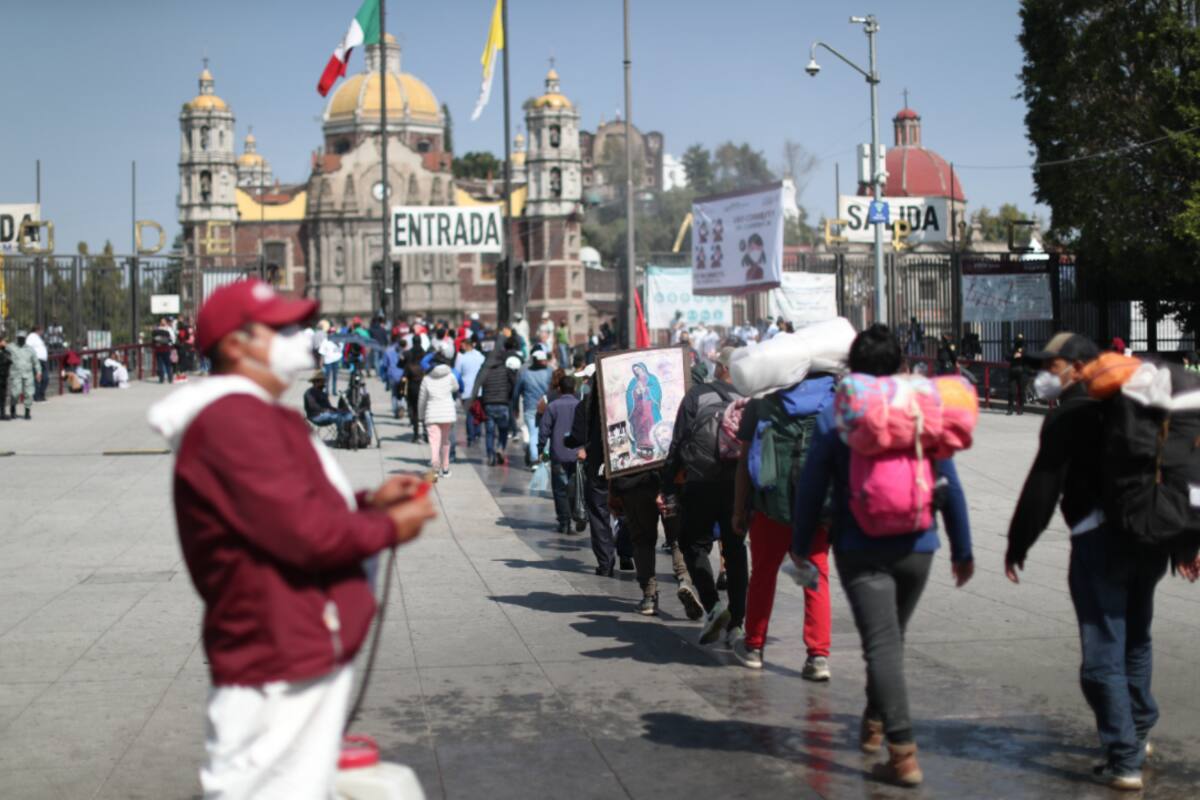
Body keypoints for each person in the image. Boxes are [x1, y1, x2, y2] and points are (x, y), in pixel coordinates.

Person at [146, 279, 436, 798]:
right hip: (275, 656)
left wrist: (370, 504)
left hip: (295, 645)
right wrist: (390, 527)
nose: (295, 339)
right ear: (237, 345)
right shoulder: (233, 422)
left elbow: (282, 510)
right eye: (278, 329)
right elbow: (304, 534)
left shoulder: (252, 415)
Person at [1004, 331, 1200, 791]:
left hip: (1098, 543)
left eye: (1050, 367)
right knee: (1136, 640)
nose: (1043, 376)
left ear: (1078, 367)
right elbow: (1166, 470)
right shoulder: (1138, 407)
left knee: (1102, 653)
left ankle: (1123, 757)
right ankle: (1138, 731)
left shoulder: (1070, 416)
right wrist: (1184, 544)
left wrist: (1018, 544)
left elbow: (1043, 486)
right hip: (1149, 540)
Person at [791, 324, 974, 787]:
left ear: (852, 367)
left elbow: (812, 485)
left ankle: (903, 754)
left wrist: (800, 544)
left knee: (882, 644)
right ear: (899, 364)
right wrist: (963, 548)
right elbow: (949, 482)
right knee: (890, 641)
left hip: (861, 545)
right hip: (919, 544)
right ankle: (875, 718)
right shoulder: (919, 406)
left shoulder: (839, 412)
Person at [732, 351, 837, 678]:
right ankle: (817, 656)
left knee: (764, 573)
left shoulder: (762, 400)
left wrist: (738, 509)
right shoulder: (833, 399)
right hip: (815, 508)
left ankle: (753, 646)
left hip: (770, 505)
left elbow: (744, 460)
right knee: (814, 576)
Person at [659, 346, 743, 637]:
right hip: (736, 484)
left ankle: (713, 605)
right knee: (735, 550)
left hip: (700, 482)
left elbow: (678, 442)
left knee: (692, 543)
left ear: (721, 368)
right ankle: (737, 623)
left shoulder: (697, 395)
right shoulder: (747, 398)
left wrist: (668, 486)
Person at [564, 371, 618, 574]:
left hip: (597, 465)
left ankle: (606, 561)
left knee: (599, 511)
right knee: (629, 510)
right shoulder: (620, 401)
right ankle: (626, 552)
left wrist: (567, 441)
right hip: (623, 465)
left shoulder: (585, 404)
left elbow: (577, 437)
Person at [539, 373, 582, 534]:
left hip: (558, 453)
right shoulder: (580, 405)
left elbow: (544, 429)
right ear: (575, 388)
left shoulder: (553, 406)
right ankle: (575, 515)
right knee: (574, 488)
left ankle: (564, 521)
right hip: (577, 454)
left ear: (559, 389)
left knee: (559, 489)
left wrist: (541, 448)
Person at [476, 337, 519, 465]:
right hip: (503, 403)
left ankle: (490, 454)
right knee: (503, 430)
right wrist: (510, 396)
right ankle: (500, 448)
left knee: (489, 432)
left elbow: (478, 384)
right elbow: (515, 384)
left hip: (488, 404)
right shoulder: (506, 370)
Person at [419, 352, 460, 478]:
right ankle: (445, 469)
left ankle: (435, 469)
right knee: (445, 441)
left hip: (432, 413)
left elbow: (422, 399)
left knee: (434, 442)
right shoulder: (450, 375)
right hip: (447, 413)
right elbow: (456, 387)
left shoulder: (427, 378)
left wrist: (421, 415)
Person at [513, 350, 553, 468]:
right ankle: (545, 458)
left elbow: (516, 392)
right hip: (546, 407)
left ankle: (535, 460)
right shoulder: (549, 372)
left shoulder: (525, 374)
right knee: (546, 434)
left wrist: (515, 407)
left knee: (533, 434)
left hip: (530, 407)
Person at [304, 372, 353, 440]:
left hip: (327, 414)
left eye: (324, 381)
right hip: (316, 416)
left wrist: (337, 410)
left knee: (348, 415)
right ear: (316, 382)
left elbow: (329, 407)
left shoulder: (323, 393)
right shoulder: (309, 393)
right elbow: (313, 406)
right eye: (322, 382)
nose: (324, 383)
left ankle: (349, 434)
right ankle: (342, 436)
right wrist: (325, 410)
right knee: (337, 417)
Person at [456, 337, 486, 446]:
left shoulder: (461, 358)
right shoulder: (480, 357)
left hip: (466, 390)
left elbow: (457, 374)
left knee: (469, 414)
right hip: (479, 389)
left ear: (466, 345)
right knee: (478, 411)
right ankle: (477, 432)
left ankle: (470, 436)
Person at [6, 331, 41, 420]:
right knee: (15, 393)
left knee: (29, 394)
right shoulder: (10, 347)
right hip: (16, 374)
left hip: (28, 374)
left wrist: (38, 372)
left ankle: (27, 412)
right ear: (17, 338)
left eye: (22, 338)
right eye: (19, 338)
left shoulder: (30, 349)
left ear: (25, 339)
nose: (21, 340)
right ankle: (13, 409)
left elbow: (36, 362)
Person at [401, 340, 426, 443]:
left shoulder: (409, 366)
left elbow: (404, 378)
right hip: (423, 389)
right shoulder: (424, 366)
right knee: (425, 412)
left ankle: (416, 434)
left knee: (414, 412)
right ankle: (425, 433)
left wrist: (402, 391)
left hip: (412, 390)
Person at [25, 325, 49, 401]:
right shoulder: (31, 336)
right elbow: (27, 347)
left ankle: (41, 394)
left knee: (45, 378)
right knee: (38, 379)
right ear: (37, 330)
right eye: (41, 330)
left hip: (43, 360)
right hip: (36, 360)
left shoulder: (39, 338)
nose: (42, 332)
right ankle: (37, 396)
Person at [1007, 334, 1028, 415]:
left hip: (1022, 371)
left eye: (1020, 341)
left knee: (1022, 391)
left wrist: (1021, 355)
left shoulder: (1025, 349)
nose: (1019, 342)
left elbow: (1028, 358)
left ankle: (1021, 408)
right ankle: (1010, 408)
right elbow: (1007, 357)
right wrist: (1013, 356)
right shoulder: (1012, 349)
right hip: (1013, 371)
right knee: (1011, 391)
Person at [152, 319, 176, 384]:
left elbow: (153, 340)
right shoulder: (167, 331)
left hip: (158, 349)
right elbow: (171, 340)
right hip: (166, 349)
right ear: (165, 323)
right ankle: (170, 378)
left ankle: (161, 379)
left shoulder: (155, 331)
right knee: (168, 364)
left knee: (160, 364)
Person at [0, 333, 11, 420]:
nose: (5, 342)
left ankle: (2, 414)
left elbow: (9, 361)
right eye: (3, 341)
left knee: (3, 396)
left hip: (3, 378)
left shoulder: (6, 352)